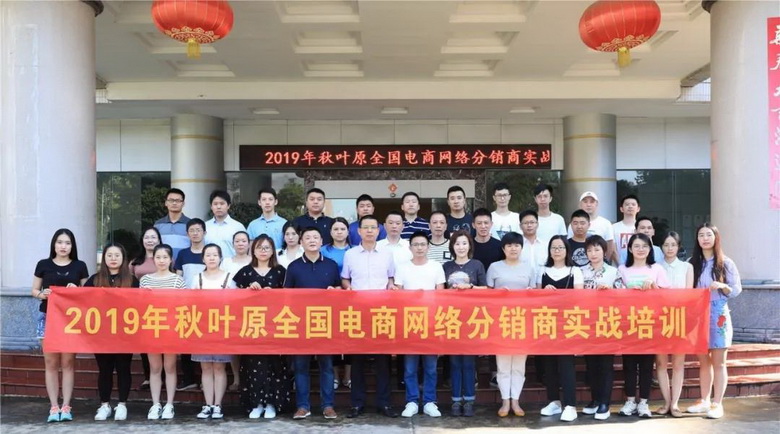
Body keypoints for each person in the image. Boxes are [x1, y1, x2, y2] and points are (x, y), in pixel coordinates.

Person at [342, 215, 398, 419]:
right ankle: (357, 403)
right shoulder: (350, 254)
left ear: (378, 230)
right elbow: (345, 279)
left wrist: (391, 285)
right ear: (358, 231)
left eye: (373, 227)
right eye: (365, 227)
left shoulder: (387, 254)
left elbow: (391, 277)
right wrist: (348, 289)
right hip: (358, 313)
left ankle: (385, 403)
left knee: (383, 361)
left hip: (381, 313)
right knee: (357, 360)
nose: (369, 231)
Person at [32, 229, 89, 423]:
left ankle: (66, 406)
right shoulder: (43, 264)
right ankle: (53, 406)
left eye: (67, 243)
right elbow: (34, 290)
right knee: (50, 363)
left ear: (72, 246)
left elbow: (87, 292)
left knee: (68, 363)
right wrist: (42, 294)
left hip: (71, 320)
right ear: (54, 244)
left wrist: (77, 290)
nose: (63, 246)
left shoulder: (80, 266)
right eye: (60, 242)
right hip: (48, 316)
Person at [686, 223, 742, 419]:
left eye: (708, 235)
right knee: (703, 361)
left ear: (716, 238)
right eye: (701, 235)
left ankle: (717, 403)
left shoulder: (726, 262)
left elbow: (736, 289)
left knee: (719, 362)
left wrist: (722, 285)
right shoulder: (691, 263)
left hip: (718, 313)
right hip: (698, 314)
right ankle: (704, 400)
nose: (705, 238)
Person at [233, 235, 292, 419]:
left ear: (273, 250)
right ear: (253, 250)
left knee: (275, 365)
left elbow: (290, 297)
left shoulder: (281, 272)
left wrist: (274, 294)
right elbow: (234, 299)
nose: (263, 251)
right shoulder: (245, 272)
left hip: (276, 325)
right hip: (252, 326)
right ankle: (256, 403)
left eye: (267, 247)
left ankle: (273, 403)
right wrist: (248, 292)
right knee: (253, 365)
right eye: (259, 247)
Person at [285, 227, 341, 420]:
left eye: (315, 237)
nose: (311, 240)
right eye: (307, 237)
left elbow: (339, 290)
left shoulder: (331, 265)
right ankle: (303, 406)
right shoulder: (294, 267)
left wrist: (335, 291)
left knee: (327, 366)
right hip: (301, 324)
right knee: (301, 367)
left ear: (321, 241)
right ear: (301, 242)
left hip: (325, 322)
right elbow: (286, 296)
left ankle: (328, 406)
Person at [85, 244, 139, 421]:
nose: (113, 258)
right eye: (109, 255)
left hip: (125, 333)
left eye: (117, 255)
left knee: (123, 368)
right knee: (105, 369)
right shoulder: (94, 279)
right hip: (101, 333)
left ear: (123, 258)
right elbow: (81, 300)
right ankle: (104, 405)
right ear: (104, 258)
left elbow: (140, 304)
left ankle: (122, 404)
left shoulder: (132, 280)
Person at [618, 233, 670, 419]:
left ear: (650, 249)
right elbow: (616, 295)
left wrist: (654, 287)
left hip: (650, 323)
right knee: (629, 364)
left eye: (645, 246)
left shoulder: (657, 269)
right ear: (630, 249)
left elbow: (667, 296)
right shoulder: (622, 269)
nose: (641, 249)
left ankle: (644, 403)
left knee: (647, 365)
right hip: (628, 323)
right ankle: (630, 401)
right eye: (637, 246)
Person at [395, 231, 446, 418]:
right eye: (415, 244)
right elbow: (398, 296)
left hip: (431, 322)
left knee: (431, 367)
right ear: (410, 247)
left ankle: (430, 401)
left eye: (423, 244)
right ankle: (412, 401)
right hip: (410, 323)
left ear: (428, 247)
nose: (419, 248)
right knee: (410, 367)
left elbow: (441, 296)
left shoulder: (436, 267)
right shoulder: (402, 268)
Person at [486, 232, 536, 418]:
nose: (513, 249)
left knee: (519, 364)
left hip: (523, 321)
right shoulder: (494, 267)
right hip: (501, 321)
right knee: (503, 364)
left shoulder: (529, 268)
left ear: (521, 248)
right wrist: (498, 293)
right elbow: (487, 295)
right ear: (503, 248)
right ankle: (505, 401)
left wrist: (530, 293)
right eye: (509, 245)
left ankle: (516, 400)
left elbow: (536, 294)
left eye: (516, 245)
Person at [538, 235, 584, 422]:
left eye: (560, 247)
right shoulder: (542, 270)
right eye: (553, 248)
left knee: (566, 365)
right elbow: (535, 297)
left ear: (567, 250)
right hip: (547, 322)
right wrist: (544, 293)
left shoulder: (575, 271)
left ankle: (570, 405)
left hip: (568, 323)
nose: (557, 251)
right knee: (549, 364)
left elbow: (579, 298)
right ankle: (554, 401)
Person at [581, 235, 625, 421]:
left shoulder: (613, 271)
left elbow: (624, 295)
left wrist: (610, 291)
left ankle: (605, 403)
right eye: (589, 250)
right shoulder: (581, 271)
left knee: (606, 364)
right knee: (591, 364)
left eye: (597, 249)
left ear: (604, 251)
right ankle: (595, 399)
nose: (593, 253)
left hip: (608, 322)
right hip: (587, 323)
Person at [442, 231, 486, 417]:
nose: (461, 247)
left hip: (471, 320)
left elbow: (486, 289)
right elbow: (439, 291)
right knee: (454, 362)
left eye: (464, 243)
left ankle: (469, 400)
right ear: (452, 247)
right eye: (457, 243)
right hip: (451, 320)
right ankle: (455, 400)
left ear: (470, 246)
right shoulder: (446, 266)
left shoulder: (477, 265)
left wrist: (471, 287)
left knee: (468, 362)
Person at [140, 244, 186, 420]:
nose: (161, 261)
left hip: (171, 328)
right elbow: (139, 305)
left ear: (171, 260)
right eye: (158, 257)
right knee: (155, 368)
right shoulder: (145, 280)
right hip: (152, 327)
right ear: (153, 259)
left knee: (170, 367)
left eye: (165, 257)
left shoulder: (177, 280)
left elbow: (183, 304)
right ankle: (155, 404)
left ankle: (169, 404)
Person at [192, 244, 236, 420]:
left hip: (222, 327)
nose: (211, 258)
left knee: (219, 366)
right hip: (202, 327)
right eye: (208, 255)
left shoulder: (229, 278)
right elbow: (191, 302)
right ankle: (207, 404)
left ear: (220, 258)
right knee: (205, 367)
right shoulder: (197, 278)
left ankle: (218, 405)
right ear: (203, 258)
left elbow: (235, 303)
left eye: (215, 255)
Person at [656, 231, 694, 418]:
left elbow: (689, 294)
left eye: (673, 244)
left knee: (678, 363)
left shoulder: (687, 267)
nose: (669, 248)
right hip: (659, 319)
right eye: (666, 245)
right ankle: (666, 402)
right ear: (661, 247)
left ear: (679, 247)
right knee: (661, 363)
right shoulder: (655, 267)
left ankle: (676, 404)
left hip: (680, 318)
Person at [471, 208, 505, 388]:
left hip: (494, 297)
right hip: (471, 297)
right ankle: (474, 374)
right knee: (473, 333)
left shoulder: (499, 246)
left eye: (486, 223)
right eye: (479, 223)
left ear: (491, 224)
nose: (483, 226)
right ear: (473, 225)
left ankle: (494, 374)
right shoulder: (468, 244)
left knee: (494, 335)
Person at [173, 218, 207, 391]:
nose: (195, 233)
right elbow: (178, 277)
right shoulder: (183, 254)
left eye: (198, 230)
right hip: (185, 303)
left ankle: (205, 379)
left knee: (205, 341)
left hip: (207, 304)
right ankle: (189, 378)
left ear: (204, 232)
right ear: (187, 234)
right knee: (186, 341)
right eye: (192, 230)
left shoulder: (210, 253)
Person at [320, 217, 352, 389]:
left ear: (348, 231)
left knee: (350, 337)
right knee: (331, 338)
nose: (339, 232)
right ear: (330, 232)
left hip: (351, 300)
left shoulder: (355, 250)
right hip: (328, 300)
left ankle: (347, 376)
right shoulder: (323, 251)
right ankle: (333, 376)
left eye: (342, 229)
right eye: (336, 229)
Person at [129, 227, 161, 391]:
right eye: (147, 237)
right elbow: (129, 284)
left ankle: (162, 375)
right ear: (142, 241)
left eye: (153, 237)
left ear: (159, 240)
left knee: (162, 343)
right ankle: (148, 376)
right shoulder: (135, 262)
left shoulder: (164, 258)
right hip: (141, 309)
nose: (150, 240)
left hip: (162, 308)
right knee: (145, 344)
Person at [219, 231, 251, 393]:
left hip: (252, 308)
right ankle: (237, 378)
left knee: (249, 343)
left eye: (243, 241)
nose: (240, 244)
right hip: (231, 307)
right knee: (234, 344)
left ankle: (250, 377)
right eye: (237, 241)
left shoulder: (254, 260)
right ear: (233, 244)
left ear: (249, 243)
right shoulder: (226, 262)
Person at [567, 191, 615, 263]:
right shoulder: (573, 224)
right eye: (585, 202)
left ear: (597, 204)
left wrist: (604, 263)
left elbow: (610, 245)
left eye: (592, 202)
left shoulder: (606, 223)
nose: (588, 204)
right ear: (580, 204)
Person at [205, 190, 246, 259]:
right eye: (215, 204)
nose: (218, 207)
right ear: (211, 206)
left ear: (228, 206)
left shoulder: (238, 227)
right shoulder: (205, 226)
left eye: (222, 204)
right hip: (210, 265)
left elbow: (245, 250)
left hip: (232, 265)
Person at [154, 188, 191, 261]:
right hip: (163, 263)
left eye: (178, 200)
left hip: (184, 262)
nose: (174, 203)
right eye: (171, 200)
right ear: (166, 203)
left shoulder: (190, 224)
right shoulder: (158, 224)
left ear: (183, 203)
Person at [612, 195, 640, 265]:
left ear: (638, 209)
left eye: (633, 204)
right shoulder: (613, 227)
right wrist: (621, 266)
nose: (630, 206)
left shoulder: (641, 227)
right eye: (627, 204)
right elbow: (613, 250)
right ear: (621, 209)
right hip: (618, 267)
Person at [519, 210, 546, 274]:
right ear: (520, 226)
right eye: (526, 223)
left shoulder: (545, 245)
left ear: (537, 224)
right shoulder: (516, 246)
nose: (529, 225)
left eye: (532, 222)